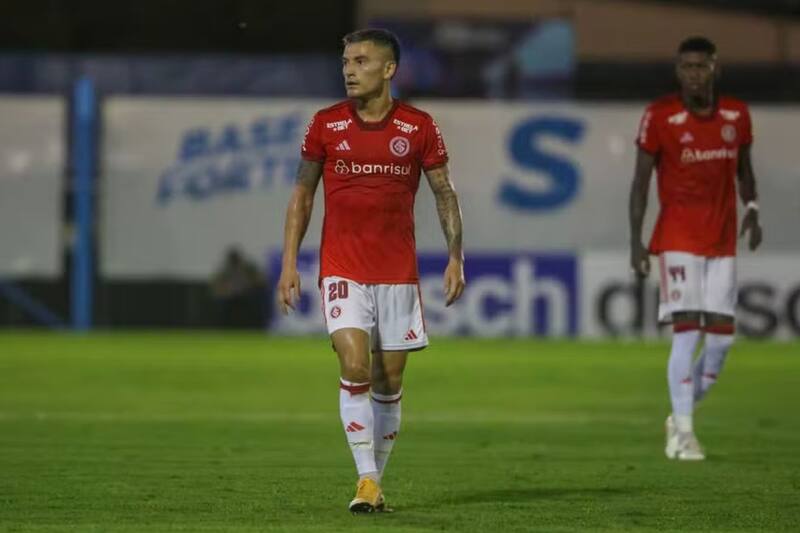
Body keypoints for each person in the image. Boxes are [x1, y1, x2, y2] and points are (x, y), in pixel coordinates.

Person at [277, 28, 465, 513]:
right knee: (355, 365)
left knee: (389, 381)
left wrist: (455, 257)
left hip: (397, 272)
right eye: (346, 61)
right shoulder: (326, 124)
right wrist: (289, 263)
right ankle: (365, 480)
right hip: (342, 267)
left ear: (389, 69)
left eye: (361, 61)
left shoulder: (419, 127)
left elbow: (444, 193)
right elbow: (302, 195)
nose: (349, 69)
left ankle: (374, 484)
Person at [629, 36, 762, 461]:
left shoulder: (737, 115)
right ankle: (685, 433)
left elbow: (745, 171)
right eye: (686, 66)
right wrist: (636, 241)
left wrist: (753, 208)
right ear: (678, 70)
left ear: (715, 68)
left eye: (701, 66)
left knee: (720, 343)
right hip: (678, 238)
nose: (694, 74)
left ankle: (679, 415)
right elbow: (640, 183)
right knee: (686, 333)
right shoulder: (660, 116)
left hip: (722, 240)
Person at [210, 246, 266, 328]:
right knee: (222, 305)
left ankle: (255, 325)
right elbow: (217, 286)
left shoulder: (248, 268)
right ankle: (223, 326)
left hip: (247, 294)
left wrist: (249, 286)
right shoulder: (225, 271)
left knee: (256, 302)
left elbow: (260, 280)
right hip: (229, 297)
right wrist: (226, 291)